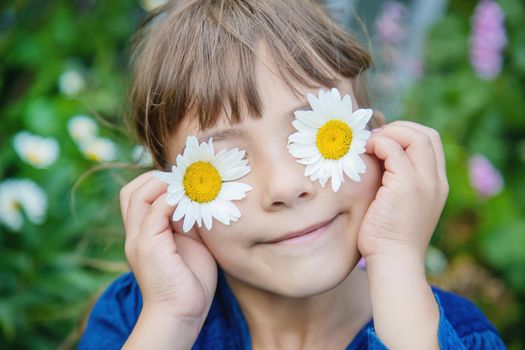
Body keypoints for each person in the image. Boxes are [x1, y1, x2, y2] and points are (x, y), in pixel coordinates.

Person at [78, 0, 506, 349]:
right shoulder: (136, 319)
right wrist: (173, 320)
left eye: (323, 135)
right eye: (226, 164)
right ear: (173, 197)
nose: (285, 186)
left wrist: (396, 260)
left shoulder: (462, 337)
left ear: (378, 141)